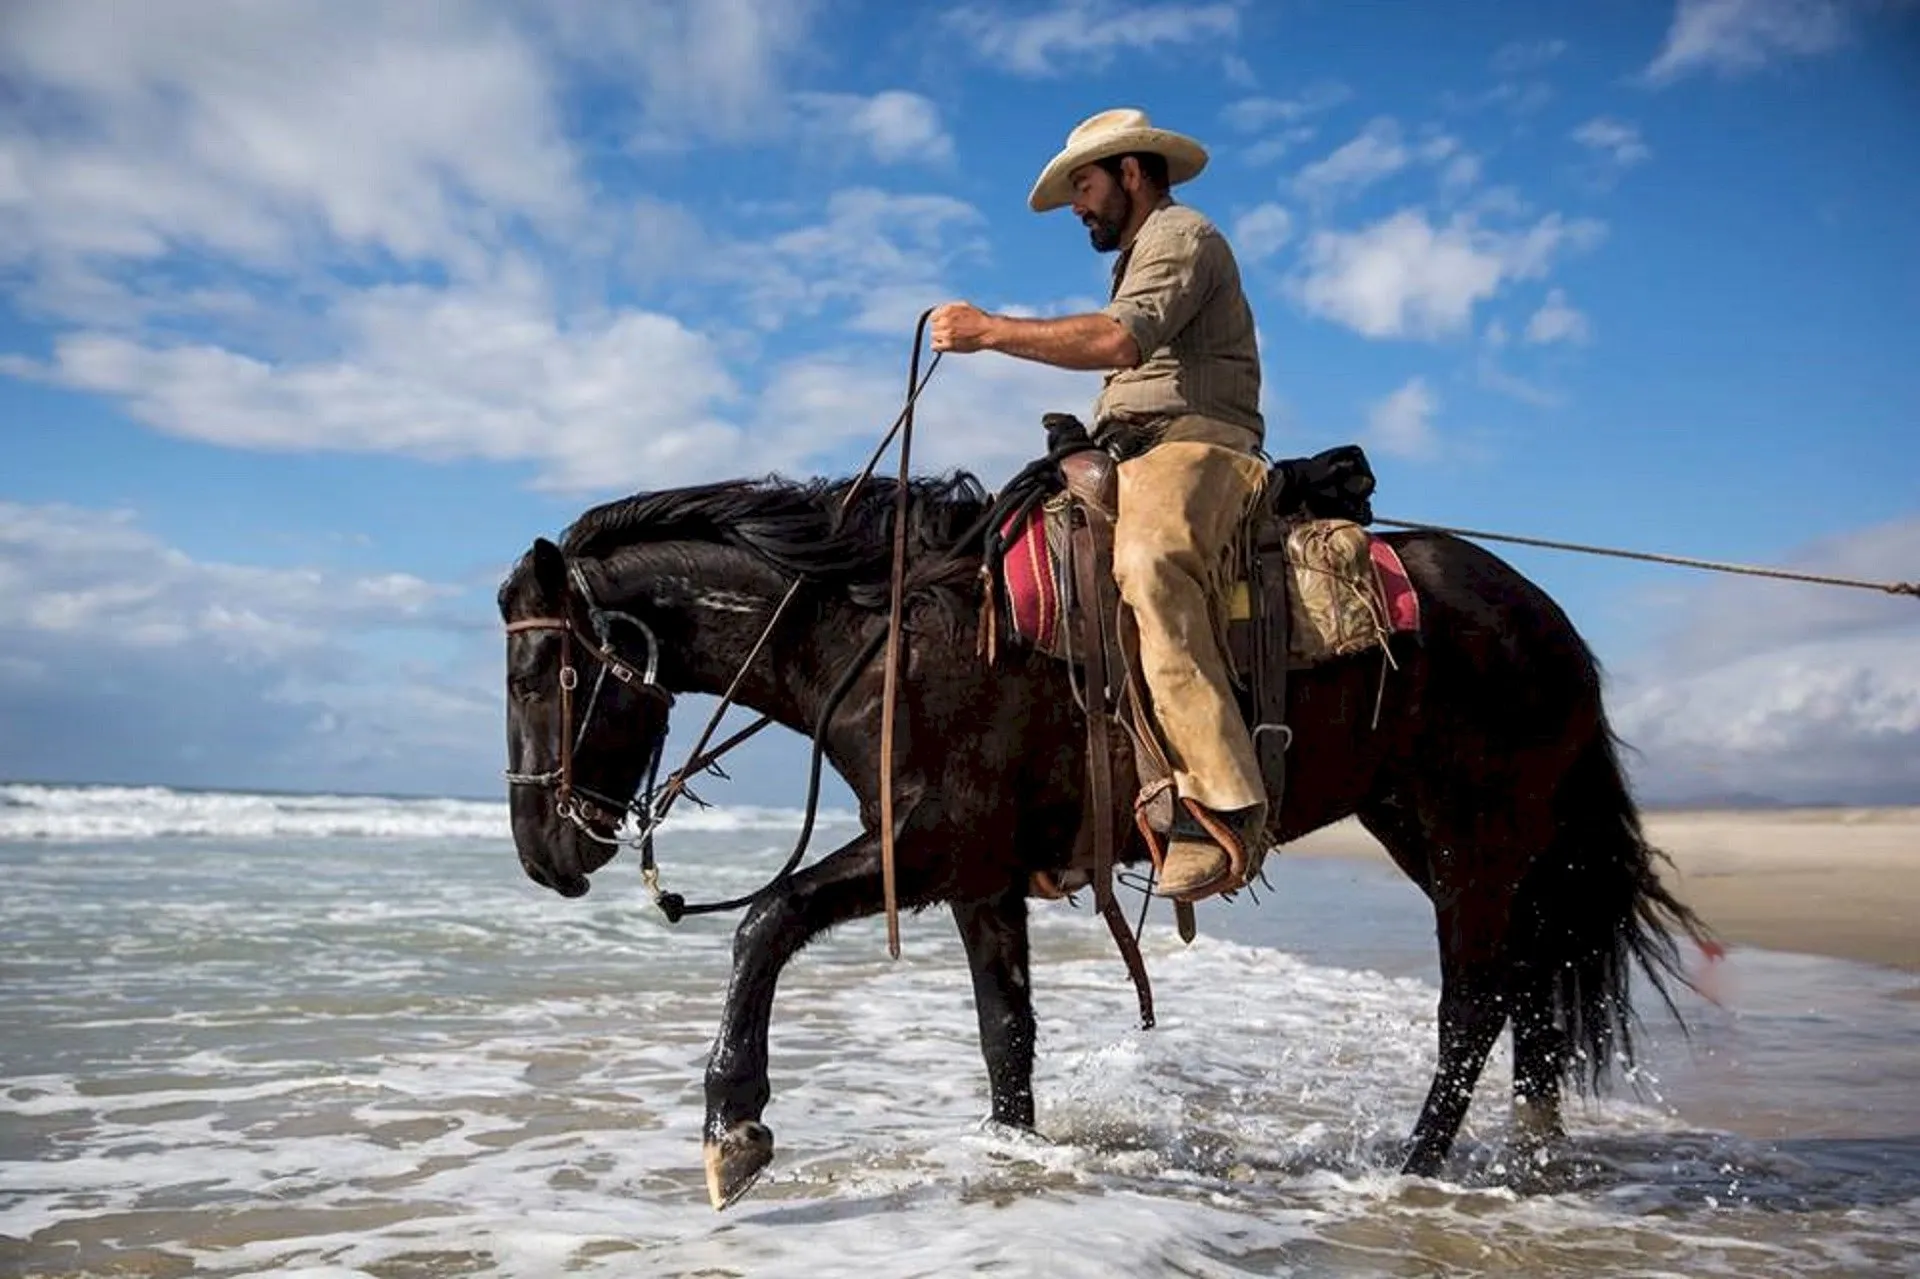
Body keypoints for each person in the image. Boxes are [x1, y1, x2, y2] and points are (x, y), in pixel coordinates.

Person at [931, 108, 1269, 902]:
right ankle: (1082, 802)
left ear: (1130, 172)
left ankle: (1222, 803)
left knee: (1150, 566)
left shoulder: (1185, 238)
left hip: (1198, 443)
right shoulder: (1137, 255)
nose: (1078, 206)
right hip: (1130, 448)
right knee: (1025, 567)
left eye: (1083, 185)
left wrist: (987, 333)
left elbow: (1120, 344)